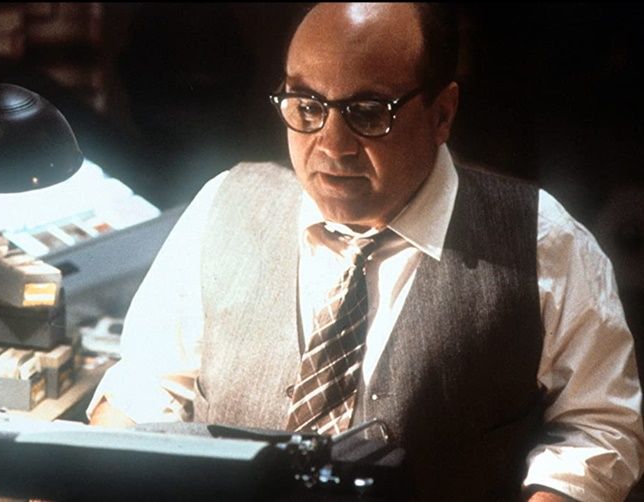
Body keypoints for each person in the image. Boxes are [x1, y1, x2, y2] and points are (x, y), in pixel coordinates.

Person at [88, 3, 644, 500]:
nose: (331, 146)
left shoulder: (541, 240)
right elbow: (145, 389)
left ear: (442, 114)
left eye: (369, 112)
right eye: (307, 106)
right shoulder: (224, 206)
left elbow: (600, 427)